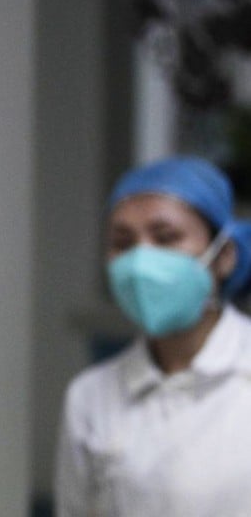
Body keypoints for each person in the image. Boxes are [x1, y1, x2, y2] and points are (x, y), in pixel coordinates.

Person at [56, 155, 251, 516]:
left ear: (223, 256)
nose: (141, 261)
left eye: (166, 238)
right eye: (123, 242)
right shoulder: (90, 398)